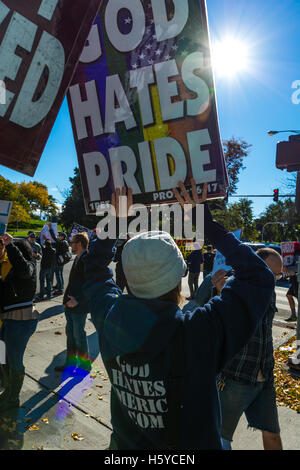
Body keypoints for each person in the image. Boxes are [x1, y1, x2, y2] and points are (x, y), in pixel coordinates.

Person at [82, 181, 275, 450]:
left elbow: (92, 270)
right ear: (178, 277)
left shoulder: (109, 315)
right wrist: (206, 224)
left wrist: (115, 222)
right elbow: (259, 277)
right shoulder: (200, 331)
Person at [218, 247, 283, 451]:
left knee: (272, 434)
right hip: (235, 377)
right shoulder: (232, 286)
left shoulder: (269, 291)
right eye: (271, 274)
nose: (273, 280)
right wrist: (221, 295)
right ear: (256, 267)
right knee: (219, 437)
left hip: (264, 375)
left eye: (278, 275)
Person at [0, 234, 39, 415]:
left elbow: (24, 269)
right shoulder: (14, 271)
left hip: (21, 320)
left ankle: (13, 399)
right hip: (9, 319)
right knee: (3, 357)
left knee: (14, 360)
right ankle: (8, 391)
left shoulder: (29, 266)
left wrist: (10, 245)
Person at [54, 232, 91, 373]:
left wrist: (78, 300)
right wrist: (65, 301)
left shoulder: (87, 259)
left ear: (79, 244)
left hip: (79, 306)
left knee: (78, 335)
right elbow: (71, 283)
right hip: (69, 304)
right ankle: (70, 364)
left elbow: (90, 285)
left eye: (73, 242)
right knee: (70, 335)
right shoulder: (77, 258)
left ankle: (84, 366)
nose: (70, 244)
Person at [48, 224, 70, 295]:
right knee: (59, 273)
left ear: (63, 237)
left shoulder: (62, 242)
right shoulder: (64, 242)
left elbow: (54, 238)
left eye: (60, 236)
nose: (58, 236)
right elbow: (55, 244)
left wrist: (50, 229)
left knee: (58, 274)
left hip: (59, 260)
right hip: (62, 260)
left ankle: (60, 289)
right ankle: (59, 286)